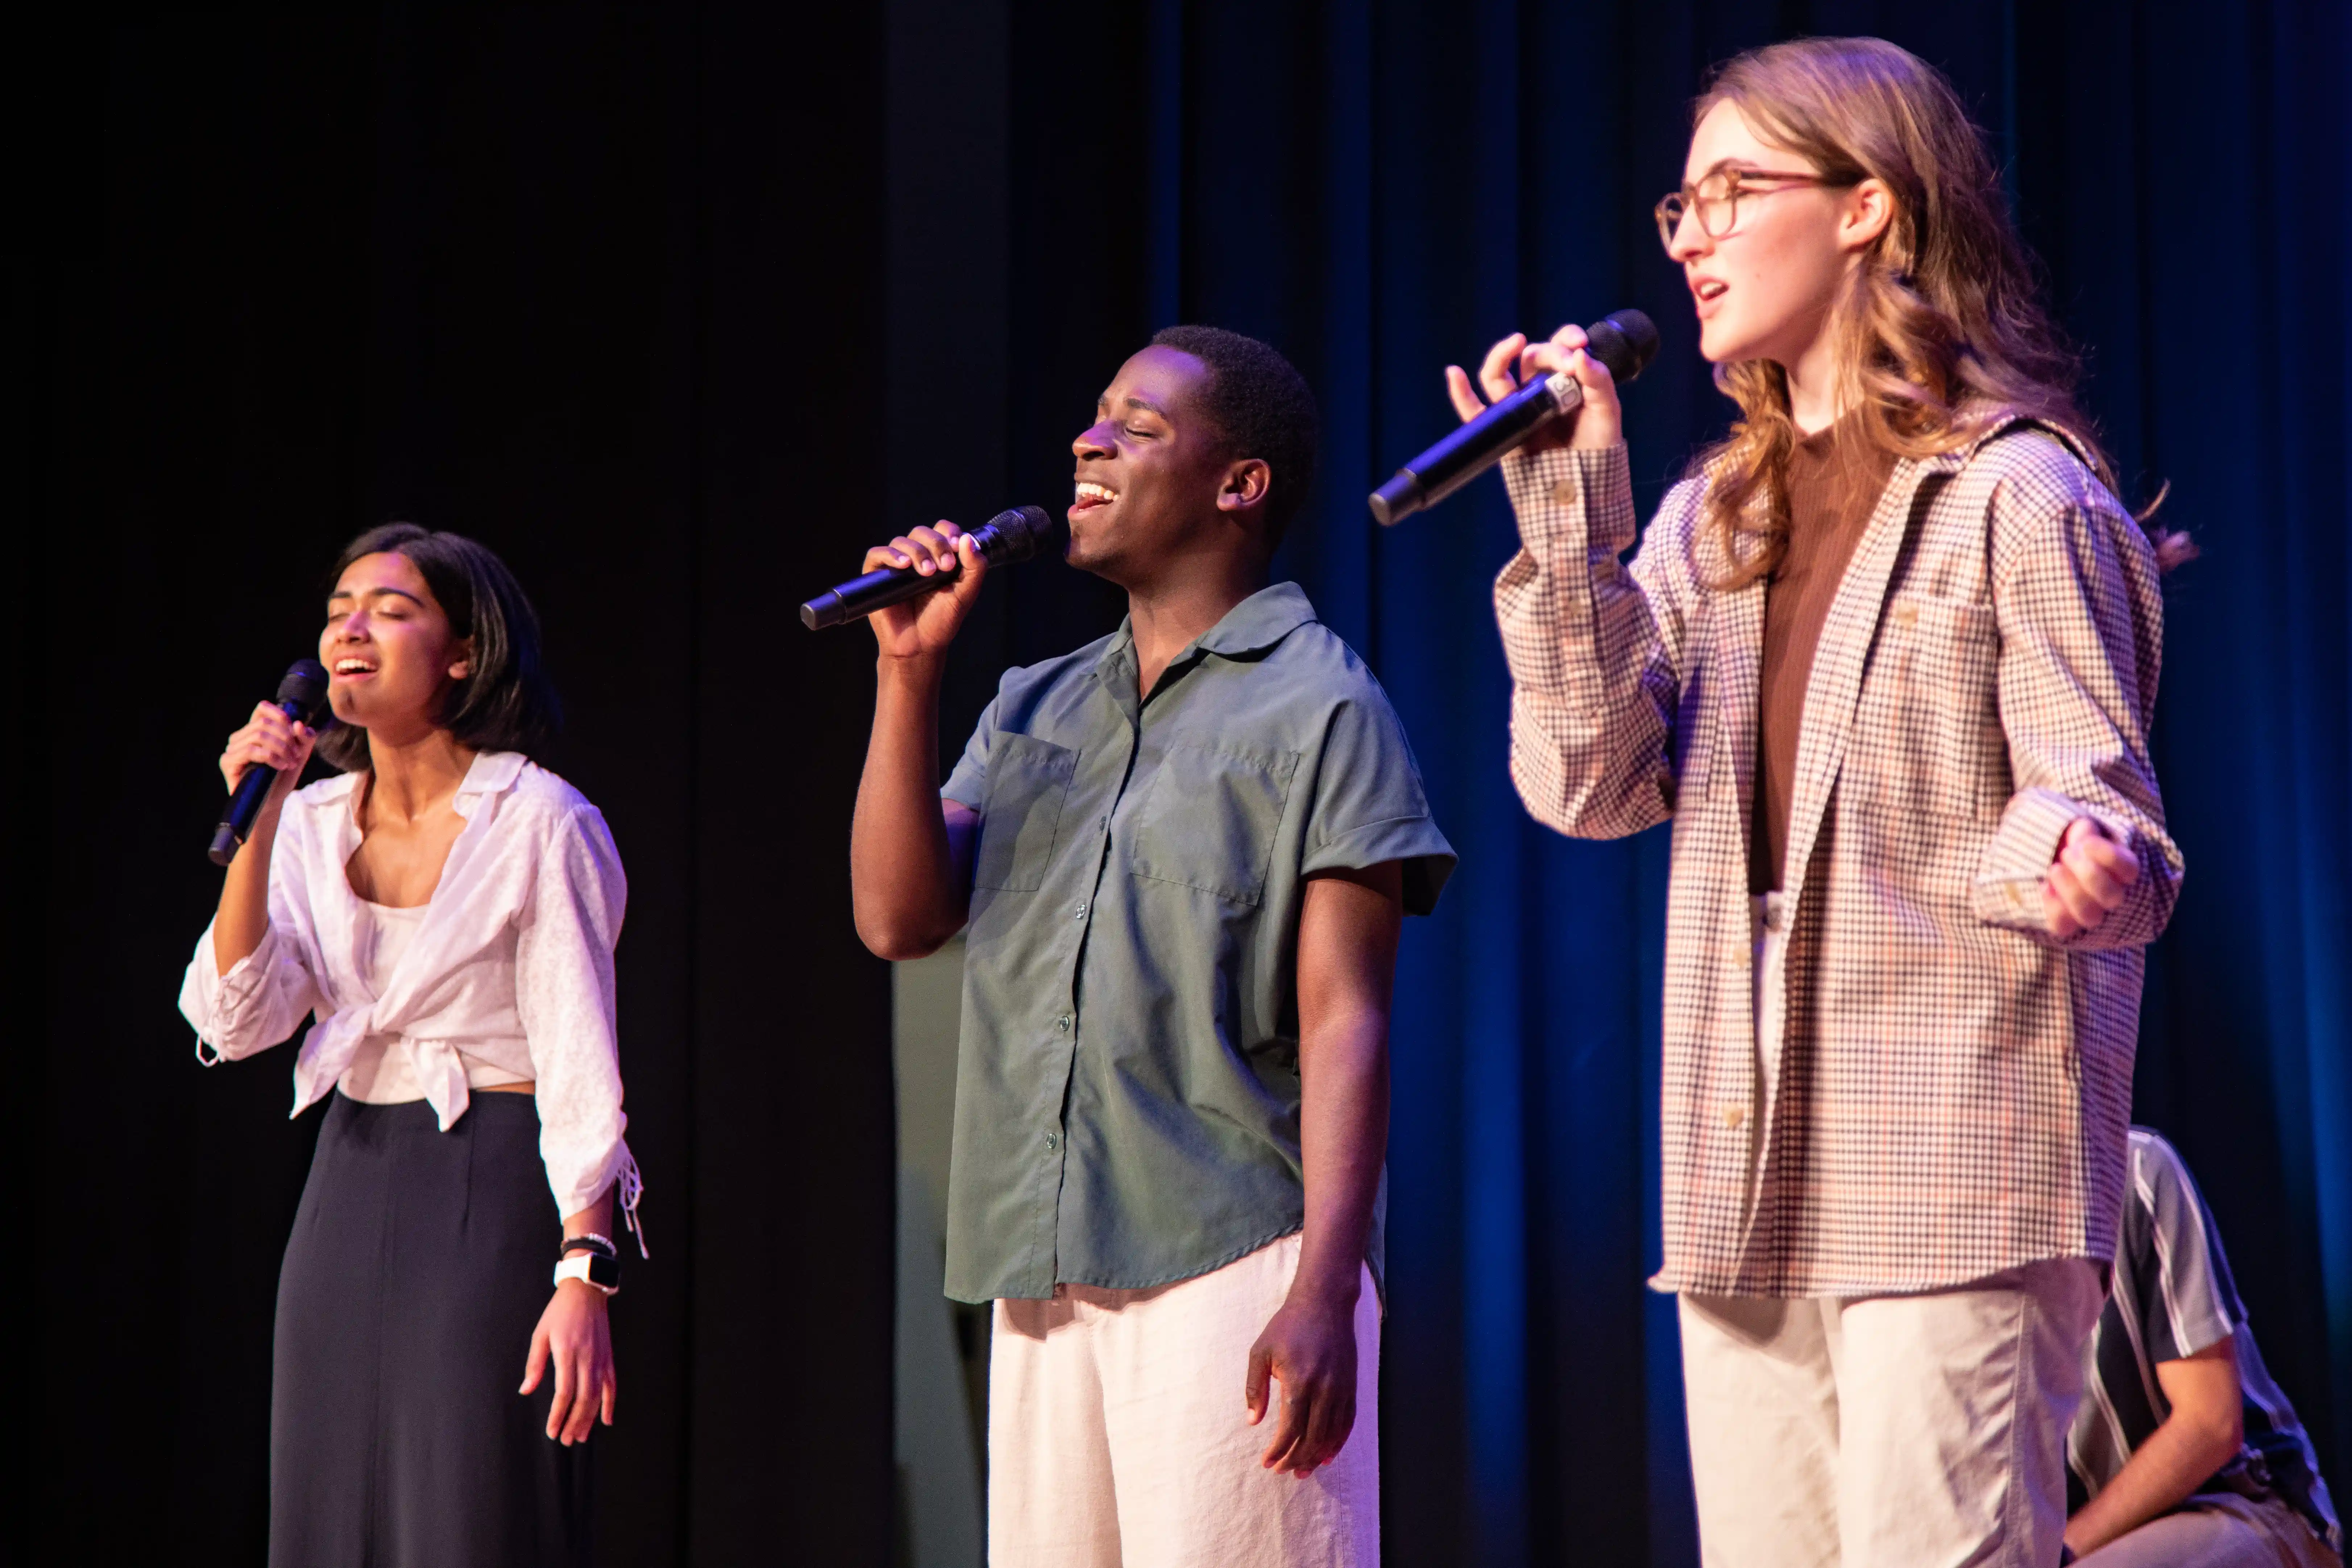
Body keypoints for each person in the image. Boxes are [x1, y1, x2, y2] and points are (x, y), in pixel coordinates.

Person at [1456, 36, 2186, 1567]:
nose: (1694, 235)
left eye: (1736, 190)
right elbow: (1588, 785)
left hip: (1955, 1164)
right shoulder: (1711, 516)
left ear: (1867, 207)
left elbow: (2095, 794)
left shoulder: (2021, 492)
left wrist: (2081, 851)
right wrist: (1566, 507)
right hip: (1745, 1169)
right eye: (1681, 206)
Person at [849, 325, 1453, 1567]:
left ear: (1237, 483)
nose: (1087, 438)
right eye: (1092, 414)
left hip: (1230, 1252)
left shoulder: (1320, 704)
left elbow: (1348, 1015)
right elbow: (898, 918)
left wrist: (1324, 1290)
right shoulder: (1035, 701)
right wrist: (908, 677)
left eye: (1136, 424)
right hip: (1049, 1260)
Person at [180, 524, 640, 1568]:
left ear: (464, 651)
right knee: (328, 1498)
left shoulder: (538, 819)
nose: (352, 626)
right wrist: (257, 827)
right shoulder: (306, 822)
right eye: (340, 607)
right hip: (348, 1174)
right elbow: (237, 1019)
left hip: (490, 1178)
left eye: (391, 607)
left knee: (465, 1501)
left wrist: (587, 1270)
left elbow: (578, 1052)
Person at [2065, 1127, 2342, 1567]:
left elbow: (2211, 1424)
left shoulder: (2133, 1170)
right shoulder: (1934, 1233)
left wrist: (2058, 1552)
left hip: (2241, 1502)